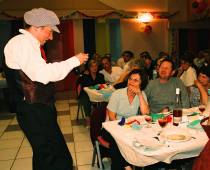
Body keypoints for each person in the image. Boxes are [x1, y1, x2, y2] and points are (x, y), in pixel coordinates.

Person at [3, 8, 88, 170]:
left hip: (39, 108)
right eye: (49, 31)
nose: (51, 37)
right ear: (36, 27)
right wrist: (74, 61)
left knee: (45, 155)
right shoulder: (22, 43)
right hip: (33, 110)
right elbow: (43, 74)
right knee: (57, 157)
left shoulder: (28, 44)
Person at [101, 69, 149, 170]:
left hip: (131, 127)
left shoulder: (142, 94)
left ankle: (131, 165)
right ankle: (126, 166)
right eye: (130, 79)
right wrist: (121, 130)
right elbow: (111, 118)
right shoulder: (117, 94)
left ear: (141, 83)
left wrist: (139, 95)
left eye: (135, 80)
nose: (131, 82)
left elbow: (145, 113)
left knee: (144, 139)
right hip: (111, 127)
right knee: (117, 141)